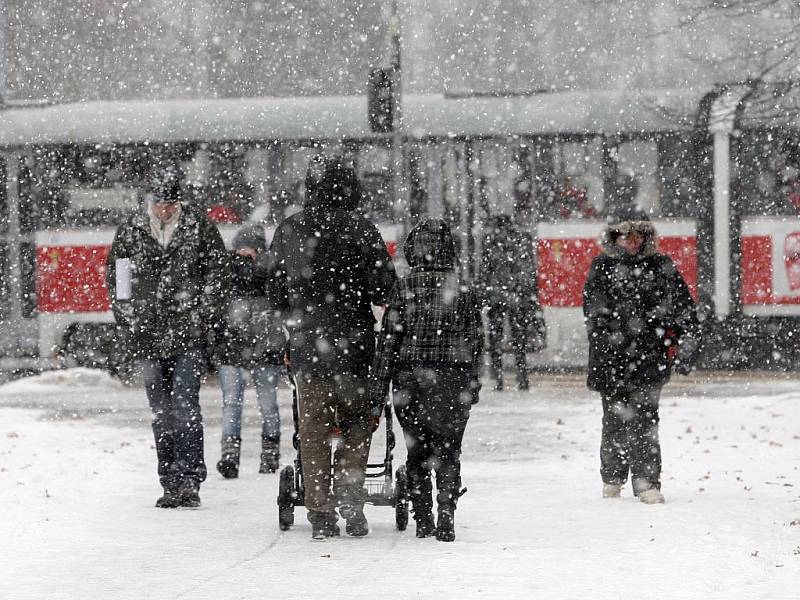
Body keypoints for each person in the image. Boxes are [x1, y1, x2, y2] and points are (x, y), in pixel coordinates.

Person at [266, 155, 397, 539]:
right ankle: (350, 498)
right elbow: (382, 289)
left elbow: (274, 291)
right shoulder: (363, 231)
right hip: (355, 349)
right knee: (360, 422)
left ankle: (320, 512)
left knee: (313, 430)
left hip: (308, 351)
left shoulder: (289, 230)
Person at [106, 173, 230, 508]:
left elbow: (217, 274)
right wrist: (129, 316)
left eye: (170, 204)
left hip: (186, 334)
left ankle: (189, 479)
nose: (164, 210)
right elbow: (119, 280)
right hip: (146, 335)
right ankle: (170, 480)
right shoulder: (131, 231)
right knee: (161, 412)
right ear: (151, 202)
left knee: (185, 408)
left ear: (179, 203)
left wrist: (202, 315)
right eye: (159, 204)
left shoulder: (199, 228)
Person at [369, 218, 483, 542]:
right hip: (452, 380)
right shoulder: (461, 288)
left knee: (417, 450)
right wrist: (471, 384)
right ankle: (446, 512)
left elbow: (388, 342)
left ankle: (423, 518)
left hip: (410, 382)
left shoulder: (403, 286)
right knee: (448, 451)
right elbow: (475, 342)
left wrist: (377, 394)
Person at [583, 209, 699, 504]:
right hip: (612, 358)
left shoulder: (661, 266)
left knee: (645, 420)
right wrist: (608, 342)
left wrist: (683, 341)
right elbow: (594, 313)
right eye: (627, 236)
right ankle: (613, 477)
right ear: (616, 238)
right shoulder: (602, 267)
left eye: (638, 236)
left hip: (649, 357)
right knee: (614, 419)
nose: (633, 242)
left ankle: (647, 482)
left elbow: (683, 305)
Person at [213, 224, 287, 479]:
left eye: (249, 249)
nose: (244, 255)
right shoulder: (231, 272)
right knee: (234, 404)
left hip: (258, 347)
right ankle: (231, 456)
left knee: (266, 404)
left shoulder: (268, 271)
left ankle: (268, 454)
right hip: (239, 347)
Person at [481, 214, 542, 391]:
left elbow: (485, 272)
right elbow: (528, 271)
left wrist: (487, 293)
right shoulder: (521, 241)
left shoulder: (491, 242)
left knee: (496, 339)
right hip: (517, 297)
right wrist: (524, 293)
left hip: (497, 298)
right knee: (519, 339)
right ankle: (522, 378)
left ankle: (499, 379)